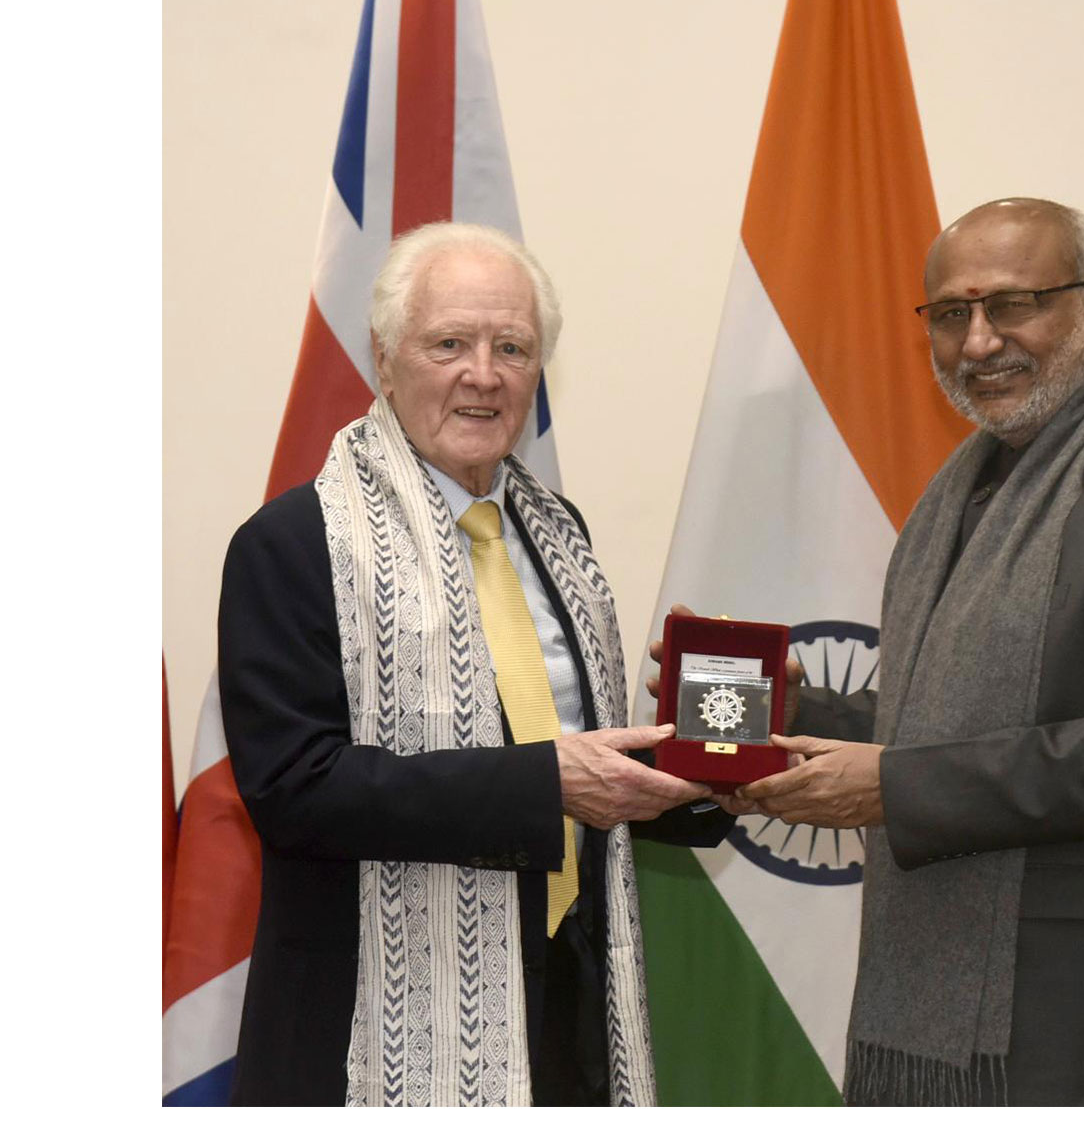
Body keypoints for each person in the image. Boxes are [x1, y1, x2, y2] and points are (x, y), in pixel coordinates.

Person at [724, 198, 1084, 1104]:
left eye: (1014, 304)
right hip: (970, 1015)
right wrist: (802, 717)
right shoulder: (968, 484)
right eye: (952, 314)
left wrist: (895, 787)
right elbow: (987, 718)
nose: (980, 341)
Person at [218, 221, 727, 1106]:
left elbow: (569, 751)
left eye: (513, 348)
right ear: (385, 358)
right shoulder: (294, 543)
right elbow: (293, 790)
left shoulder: (561, 533)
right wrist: (548, 786)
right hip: (367, 1027)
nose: (483, 374)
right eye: (449, 343)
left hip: (567, 1002)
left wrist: (709, 760)